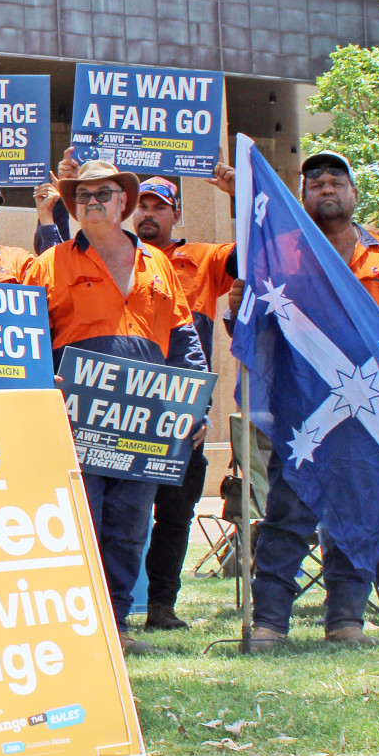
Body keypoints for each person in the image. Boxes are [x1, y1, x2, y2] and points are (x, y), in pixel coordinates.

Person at [235, 152, 379, 649]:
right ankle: (270, 624)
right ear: (301, 196)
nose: (325, 186)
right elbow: (263, 331)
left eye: (335, 179)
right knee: (288, 515)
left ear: (354, 193)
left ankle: (346, 621)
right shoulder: (278, 250)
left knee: (356, 514)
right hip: (304, 413)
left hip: (374, 415)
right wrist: (241, 310)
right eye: (313, 180)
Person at [19, 160, 206, 654]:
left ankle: (117, 625)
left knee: (128, 527)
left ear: (124, 201)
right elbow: (22, 342)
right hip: (74, 420)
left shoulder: (159, 264)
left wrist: (197, 406)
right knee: (78, 524)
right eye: (82, 195)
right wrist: (43, 382)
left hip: (146, 420)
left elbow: (184, 338)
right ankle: (78, 629)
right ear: (72, 204)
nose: (93, 202)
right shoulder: (47, 265)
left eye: (104, 193)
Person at [129, 173, 237, 631]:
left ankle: (161, 607)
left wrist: (239, 194)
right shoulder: (121, 258)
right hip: (129, 408)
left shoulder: (205, 260)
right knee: (125, 513)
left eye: (159, 206)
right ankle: (115, 607)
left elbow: (256, 251)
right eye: (143, 206)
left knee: (175, 514)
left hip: (183, 414)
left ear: (177, 214)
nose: (148, 213)